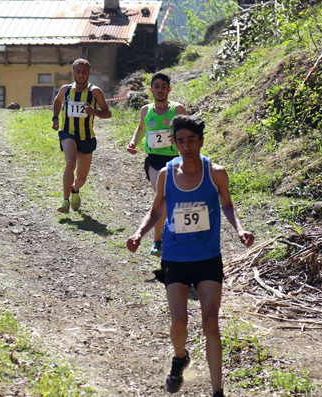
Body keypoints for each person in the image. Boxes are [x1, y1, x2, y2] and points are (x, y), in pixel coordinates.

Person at [126, 115, 254, 397]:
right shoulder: (166, 174)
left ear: (201, 141)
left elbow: (228, 205)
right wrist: (139, 234)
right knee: (179, 321)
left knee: (211, 321)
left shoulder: (216, 172)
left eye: (191, 140)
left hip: (207, 256)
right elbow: (156, 210)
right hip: (175, 257)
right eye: (181, 141)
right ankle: (180, 357)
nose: (187, 146)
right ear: (174, 143)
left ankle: (217, 391)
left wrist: (240, 229)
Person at [126, 72, 186, 256]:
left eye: (164, 86)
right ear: (151, 90)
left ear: (169, 89)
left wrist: (177, 138)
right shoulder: (146, 110)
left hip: (175, 160)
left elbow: (189, 132)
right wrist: (133, 142)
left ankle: (173, 233)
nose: (160, 90)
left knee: (171, 198)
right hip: (154, 161)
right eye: (157, 87)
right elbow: (142, 128)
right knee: (162, 195)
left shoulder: (178, 109)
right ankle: (157, 241)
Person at [51, 58, 111, 213]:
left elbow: (108, 113)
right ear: (73, 73)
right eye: (78, 72)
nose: (81, 75)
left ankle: (75, 190)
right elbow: (57, 102)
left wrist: (95, 112)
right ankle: (65, 202)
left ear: (89, 73)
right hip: (68, 133)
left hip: (86, 137)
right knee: (70, 163)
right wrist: (55, 118)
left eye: (84, 72)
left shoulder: (95, 92)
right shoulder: (65, 89)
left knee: (82, 178)